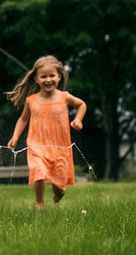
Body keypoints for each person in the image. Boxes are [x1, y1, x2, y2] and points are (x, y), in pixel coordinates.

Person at [6, 55, 86, 210]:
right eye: (43, 76)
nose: (48, 79)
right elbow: (23, 120)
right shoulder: (32, 100)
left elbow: (81, 104)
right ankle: (39, 203)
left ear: (59, 76)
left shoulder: (64, 97)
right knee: (38, 172)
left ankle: (59, 192)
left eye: (52, 76)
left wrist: (78, 120)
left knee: (59, 186)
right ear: (36, 79)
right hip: (37, 144)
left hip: (60, 147)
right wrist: (15, 136)